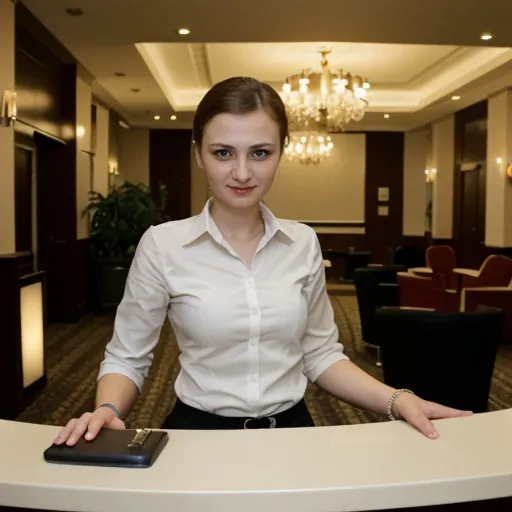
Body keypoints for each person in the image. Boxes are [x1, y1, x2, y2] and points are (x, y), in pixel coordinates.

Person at [54, 76, 471, 445]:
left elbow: (321, 355)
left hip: (291, 433)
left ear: (280, 153)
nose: (241, 172)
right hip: (198, 435)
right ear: (199, 154)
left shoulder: (302, 242)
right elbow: (128, 355)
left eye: (259, 153)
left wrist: (399, 400)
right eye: (222, 153)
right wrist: (109, 408)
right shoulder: (162, 244)